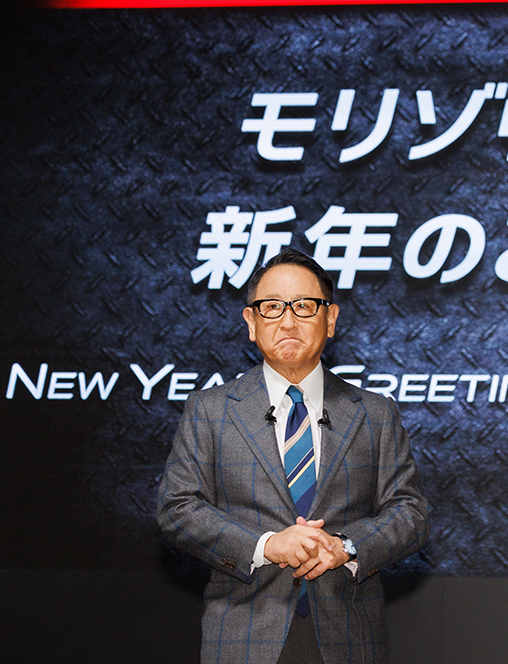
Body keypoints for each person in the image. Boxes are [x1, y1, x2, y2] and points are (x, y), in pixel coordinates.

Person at [158, 248, 429, 664]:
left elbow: (410, 513)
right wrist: (267, 545)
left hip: (348, 640)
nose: (288, 321)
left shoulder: (374, 413)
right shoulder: (210, 410)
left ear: (330, 319)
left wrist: (346, 547)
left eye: (304, 306)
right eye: (272, 308)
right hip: (243, 638)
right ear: (251, 323)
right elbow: (178, 510)